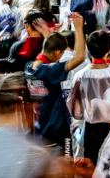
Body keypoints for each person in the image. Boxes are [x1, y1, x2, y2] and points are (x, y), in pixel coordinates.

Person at [24, 15, 88, 148]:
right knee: (65, 166)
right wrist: (78, 28)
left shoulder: (29, 68)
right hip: (56, 131)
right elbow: (80, 56)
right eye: (61, 54)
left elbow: (48, 48)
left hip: (40, 129)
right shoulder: (50, 72)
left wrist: (48, 34)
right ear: (58, 53)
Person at [66, 31, 110, 163]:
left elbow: (75, 110)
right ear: (109, 50)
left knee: (93, 167)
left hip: (92, 130)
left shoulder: (80, 75)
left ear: (88, 49)